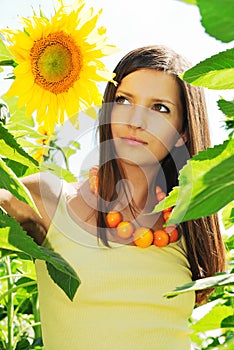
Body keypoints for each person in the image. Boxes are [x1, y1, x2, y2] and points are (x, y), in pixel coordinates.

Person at [0, 45, 226, 349]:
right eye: (124, 100)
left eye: (159, 108)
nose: (136, 120)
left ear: (182, 133)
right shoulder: (49, 199)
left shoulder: (189, 225)